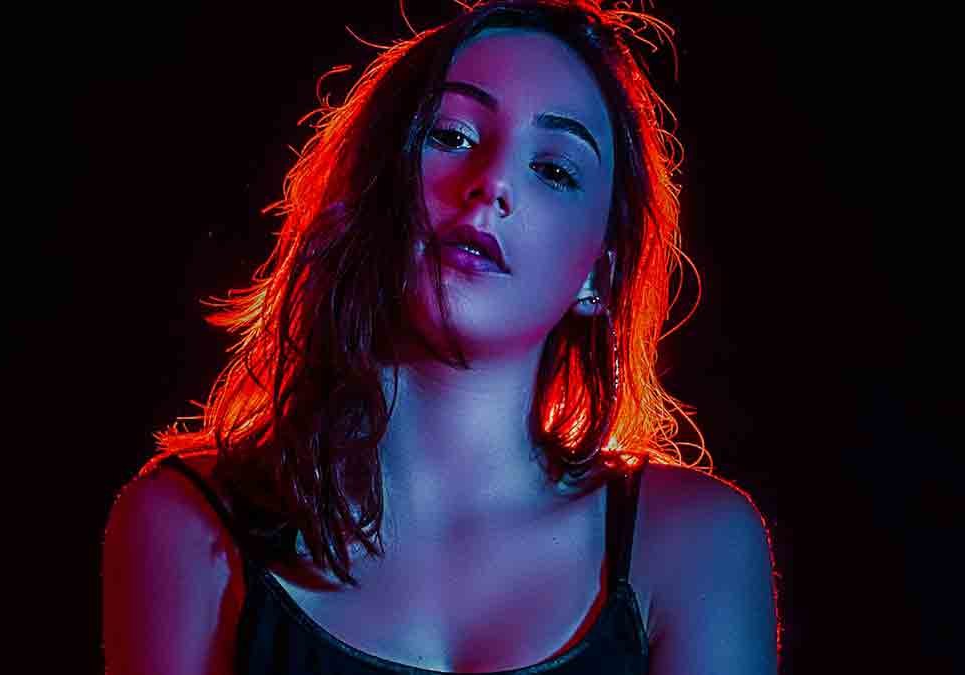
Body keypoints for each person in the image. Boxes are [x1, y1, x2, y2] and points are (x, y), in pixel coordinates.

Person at [101, 1, 780, 673]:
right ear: (369, 183)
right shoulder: (186, 526)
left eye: (556, 170)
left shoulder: (696, 544)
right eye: (451, 135)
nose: (492, 184)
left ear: (598, 277)